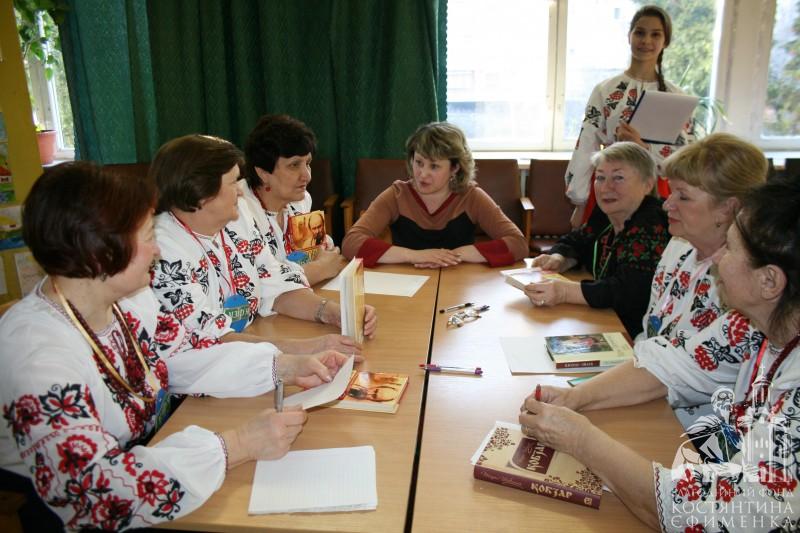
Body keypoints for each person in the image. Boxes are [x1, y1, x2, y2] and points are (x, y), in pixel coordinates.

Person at [0, 162, 352, 530]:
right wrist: (237, 445)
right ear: (99, 251)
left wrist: (283, 366)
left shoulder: (125, 301)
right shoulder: (36, 354)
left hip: (152, 449)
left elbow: (183, 353)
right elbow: (94, 496)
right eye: (147, 236)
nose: (157, 251)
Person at [520, 178, 800, 531]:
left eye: (730, 249)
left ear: (769, 281)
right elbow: (670, 366)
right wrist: (575, 397)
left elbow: (705, 512)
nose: (717, 260)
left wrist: (579, 439)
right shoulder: (749, 325)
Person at [150, 135, 377, 352]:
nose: (241, 191)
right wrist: (308, 348)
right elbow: (210, 339)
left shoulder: (238, 216)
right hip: (205, 373)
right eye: (233, 182)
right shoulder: (162, 249)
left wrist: (333, 313)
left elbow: (274, 281)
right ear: (201, 191)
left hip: (250, 347)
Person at [565, 5, 693, 229]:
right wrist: (580, 200)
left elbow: (684, 156)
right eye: (640, 32)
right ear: (629, 36)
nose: (646, 41)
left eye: (655, 34)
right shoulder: (605, 90)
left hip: (656, 192)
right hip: (610, 187)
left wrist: (643, 148)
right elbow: (587, 143)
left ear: (665, 41)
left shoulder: (676, 97)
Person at [524, 142, 670, 337]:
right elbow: (578, 241)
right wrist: (560, 258)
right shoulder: (607, 212)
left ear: (648, 184)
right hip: (602, 318)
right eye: (600, 177)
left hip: (636, 334)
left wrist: (564, 292)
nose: (606, 187)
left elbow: (629, 290)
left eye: (618, 177)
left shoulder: (652, 222)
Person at [342, 122, 528, 268]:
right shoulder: (397, 195)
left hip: (459, 283)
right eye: (419, 162)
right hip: (406, 283)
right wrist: (413, 255)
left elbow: (518, 244)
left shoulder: (471, 196)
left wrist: (454, 255)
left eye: (434, 166)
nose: (422, 174)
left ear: (455, 168)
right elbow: (351, 242)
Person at [243, 114, 345, 285]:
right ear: (263, 173)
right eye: (294, 165)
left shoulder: (300, 201)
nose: (307, 176)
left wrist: (322, 258)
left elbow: (320, 252)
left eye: (308, 163)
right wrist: (318, 270)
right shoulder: (239, 212)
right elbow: (254, 285)